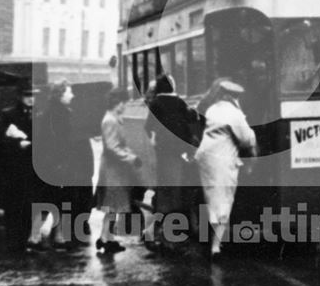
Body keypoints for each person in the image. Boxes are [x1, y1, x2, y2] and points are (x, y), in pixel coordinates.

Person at [194, 78, 256, 260]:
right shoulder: (234, 113)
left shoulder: (213, 109)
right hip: (221, 161)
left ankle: (214, 239)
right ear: (233, 97)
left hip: (205, 158)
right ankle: (215, 247)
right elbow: (246, 139)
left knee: (212, 196)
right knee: (223, 200)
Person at [33, 80, 94, 248]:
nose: (72, 95)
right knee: (57, 199)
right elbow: (58, 141)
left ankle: (54, 233)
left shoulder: (60, 111)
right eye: (69, 92)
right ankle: (48, 234)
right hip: (59, 163)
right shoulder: (57, 114)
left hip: (61, 163)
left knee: (58, 199)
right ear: (60, 94)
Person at [144, 73, 198, 236]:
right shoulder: (180, 103)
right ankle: (174, 224)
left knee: (165, 186)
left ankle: (161, 224)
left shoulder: (156, 103)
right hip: (180, 150)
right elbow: (191, 120)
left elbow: (148, 126)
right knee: (177, 186)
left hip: (163, 151)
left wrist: (155, 140)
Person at [0, 82, 40, 254]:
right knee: (13, 207)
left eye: (34, 96)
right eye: (28, 96)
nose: (31, 99)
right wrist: (17, 144)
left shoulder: (40, 114)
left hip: (34, 167)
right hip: (15, 168)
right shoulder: (9, 114)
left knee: (30, 206)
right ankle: (14, 243)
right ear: (20, 97)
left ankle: (25, 240)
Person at [96, 88, 140, 254]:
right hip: (112, 170)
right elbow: (113, 147)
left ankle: (108, 238)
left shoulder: (114, 118)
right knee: (112, 206)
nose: (126, 105)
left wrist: (131, 155)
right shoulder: (110, 120)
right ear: (117, 103)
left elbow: (119, 145)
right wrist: (131, 158)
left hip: (115, 169)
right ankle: (104, 238)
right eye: (124, 103)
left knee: (114, 206)